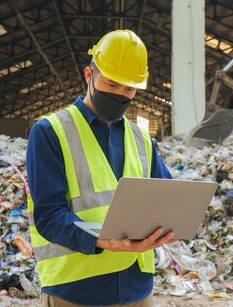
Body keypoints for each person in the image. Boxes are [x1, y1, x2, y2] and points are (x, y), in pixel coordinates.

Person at [26, 30, 174, 307]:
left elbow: (164, 196)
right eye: (112, 84)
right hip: (76, 291)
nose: (120, 95)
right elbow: (48, 217)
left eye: (129, 88)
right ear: (88, 75)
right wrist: (107, 241)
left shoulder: (141, 138)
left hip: (137, 288)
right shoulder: (50, 132)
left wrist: (171, 225)